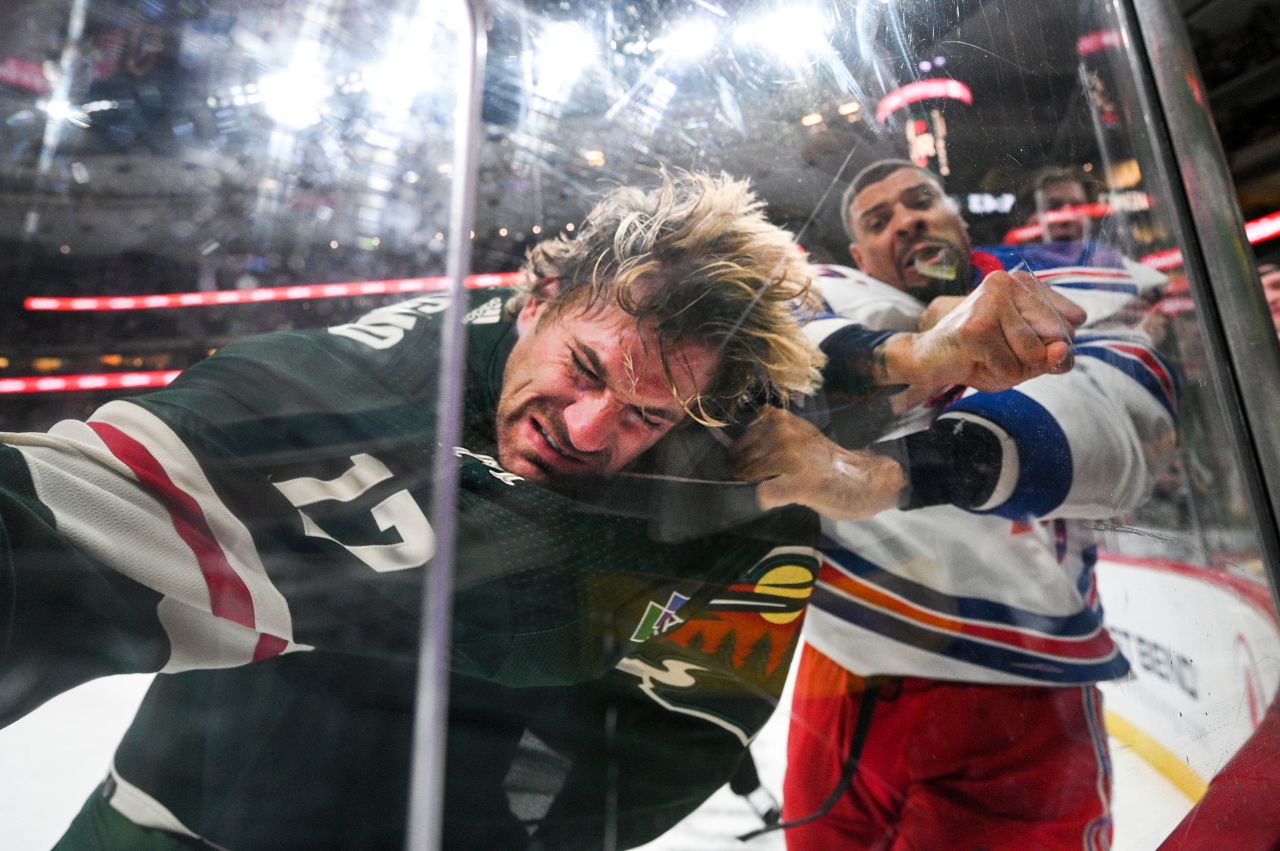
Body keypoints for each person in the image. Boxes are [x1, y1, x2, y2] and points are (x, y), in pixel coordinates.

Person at [0, 170, 1079, 849]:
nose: (591, 425)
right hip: (177, 821)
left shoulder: (719, 429)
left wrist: (895, 361)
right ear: (533, 296)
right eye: (583, 366)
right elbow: (52, 525)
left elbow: (687, 708)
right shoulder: (345, 393)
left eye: (649, 413)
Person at [744, 159, 1177, 850]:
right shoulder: (825, 298)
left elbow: (1123, 443)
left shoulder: (1065, 286)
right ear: (858, 256)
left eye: (921, 201)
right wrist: (920, 353)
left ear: (957, 216)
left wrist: (891, 472)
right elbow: (788, 371)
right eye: (878, 220)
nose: (906, 220)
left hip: (1016, 681)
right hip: (842, 664)